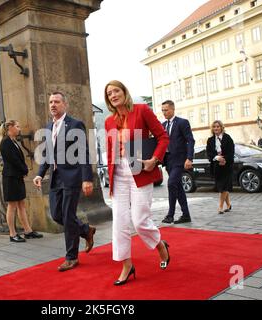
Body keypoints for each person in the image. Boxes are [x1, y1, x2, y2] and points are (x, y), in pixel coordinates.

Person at [104, 80, 170, 286]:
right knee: (120, 223)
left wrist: (155, 160)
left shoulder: (142, 111)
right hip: (119, 173)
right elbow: (111, 151)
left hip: (140, 170)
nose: (113, 95)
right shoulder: (108, 121)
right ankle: (127, 265)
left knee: (140, 221)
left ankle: (160, 245)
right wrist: (110, 179)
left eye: (116, 91)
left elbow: (163, 137)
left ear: (124, 92)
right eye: (109, 93)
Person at [33, 92, 95, 272]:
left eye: (57, 102)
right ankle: (85, 230)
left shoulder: (75, 125)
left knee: (68, 217)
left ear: (64, 105)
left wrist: (87, 178)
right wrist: (40, 174)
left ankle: (71, 257)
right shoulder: (48, 126)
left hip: (72, 177)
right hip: (55, 177)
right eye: (51, 101)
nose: (53, 104)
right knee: (56, 215)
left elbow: (83, 152)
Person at [0, 120, 43, 242]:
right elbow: (14, 161)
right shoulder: (6, 142)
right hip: (10, 178)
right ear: (10, 128)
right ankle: (12, 234)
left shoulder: (14, 142)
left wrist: (23, 171)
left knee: (21, 204)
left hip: (16, 177)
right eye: (17, 126)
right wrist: (25, 170)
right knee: (12, 205)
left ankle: (27, 231)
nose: (19, 129)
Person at [161, 100, 195, 224]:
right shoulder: (162, 125)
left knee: (171, 184)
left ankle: (170, 214)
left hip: (180, 160)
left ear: (173, 109)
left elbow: (190, 140)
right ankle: (186, 215)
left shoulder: (182, 122)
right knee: (178, 187)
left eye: (166, 110)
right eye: (162, 110)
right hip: (168, 161)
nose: (164, 112)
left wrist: (189, 158)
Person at [206, 121, 235, 214]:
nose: (216, 128)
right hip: (216, 167)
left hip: (227, 166)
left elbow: (231, 152)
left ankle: (220, 207)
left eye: (218, 126)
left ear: (221, 128)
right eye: (214, 127)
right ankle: (229, 205)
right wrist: (217, 157)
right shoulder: (210, 140)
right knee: (222, 187)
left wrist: (224, 159)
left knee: (224, 187)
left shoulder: (228, 138)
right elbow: (209, 153)